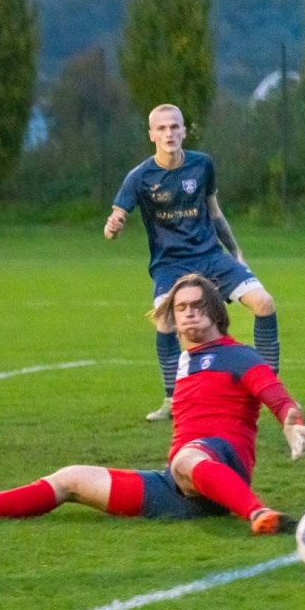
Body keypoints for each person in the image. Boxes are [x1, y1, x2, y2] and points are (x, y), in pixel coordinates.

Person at [0, 274, 305, 534]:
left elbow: (275, 394)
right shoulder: (185, 360)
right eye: (181, 308)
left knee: (187, 458)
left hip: (222, 465)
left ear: (215, 311)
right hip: (177, 487)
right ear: (172, 319)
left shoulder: (238, 355)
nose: (189, 312)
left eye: (197, 305)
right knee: (70, 478)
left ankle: (258, 513)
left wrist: (291, 423)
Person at [105, 104, 281, 422]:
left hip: (211, 257)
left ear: (185, 131)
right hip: (169, 264)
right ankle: (173, 400)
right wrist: (112, 227)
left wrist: (237, 254)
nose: (169, 133)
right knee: (165, 322)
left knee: (264, 303)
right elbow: (117, 216)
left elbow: (215, 213)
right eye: (162, 128)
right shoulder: (140, 177)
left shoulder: (202, 165)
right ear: (151, 135)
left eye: (175, 127)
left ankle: (269, 390)